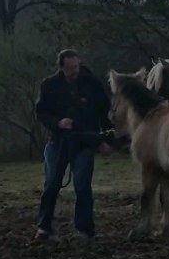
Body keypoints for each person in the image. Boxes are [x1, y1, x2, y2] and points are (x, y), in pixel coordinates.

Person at [34, 49, 113, 242]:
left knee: (82, 185)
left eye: (76, 66)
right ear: (61, 67)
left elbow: (105, 113)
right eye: (70, 68)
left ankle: (85, 229)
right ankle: (44, 227)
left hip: (85, 142)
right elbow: (41, 112)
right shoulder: (49, 85)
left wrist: (106, 140)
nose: (74, 71)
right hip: (58, 141)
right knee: (51, 185)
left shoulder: (92, 84)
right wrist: (58, 122)